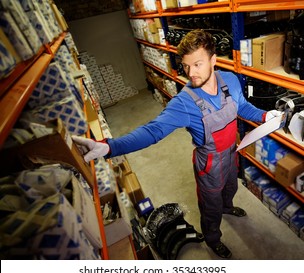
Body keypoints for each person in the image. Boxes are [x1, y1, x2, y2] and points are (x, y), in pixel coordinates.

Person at [72, 29, 282, 259]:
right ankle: (213, 239)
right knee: (210, 207)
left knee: (231, 186)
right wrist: (110, 146)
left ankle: (228, 206)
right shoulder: (184, 102)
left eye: (198, 64)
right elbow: (153, 131)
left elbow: (242, 106)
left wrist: (264, 116)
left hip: (232, 151)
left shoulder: (230, 80)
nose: (191, 73)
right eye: (186, 66)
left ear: (213, 60)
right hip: (209, 164)